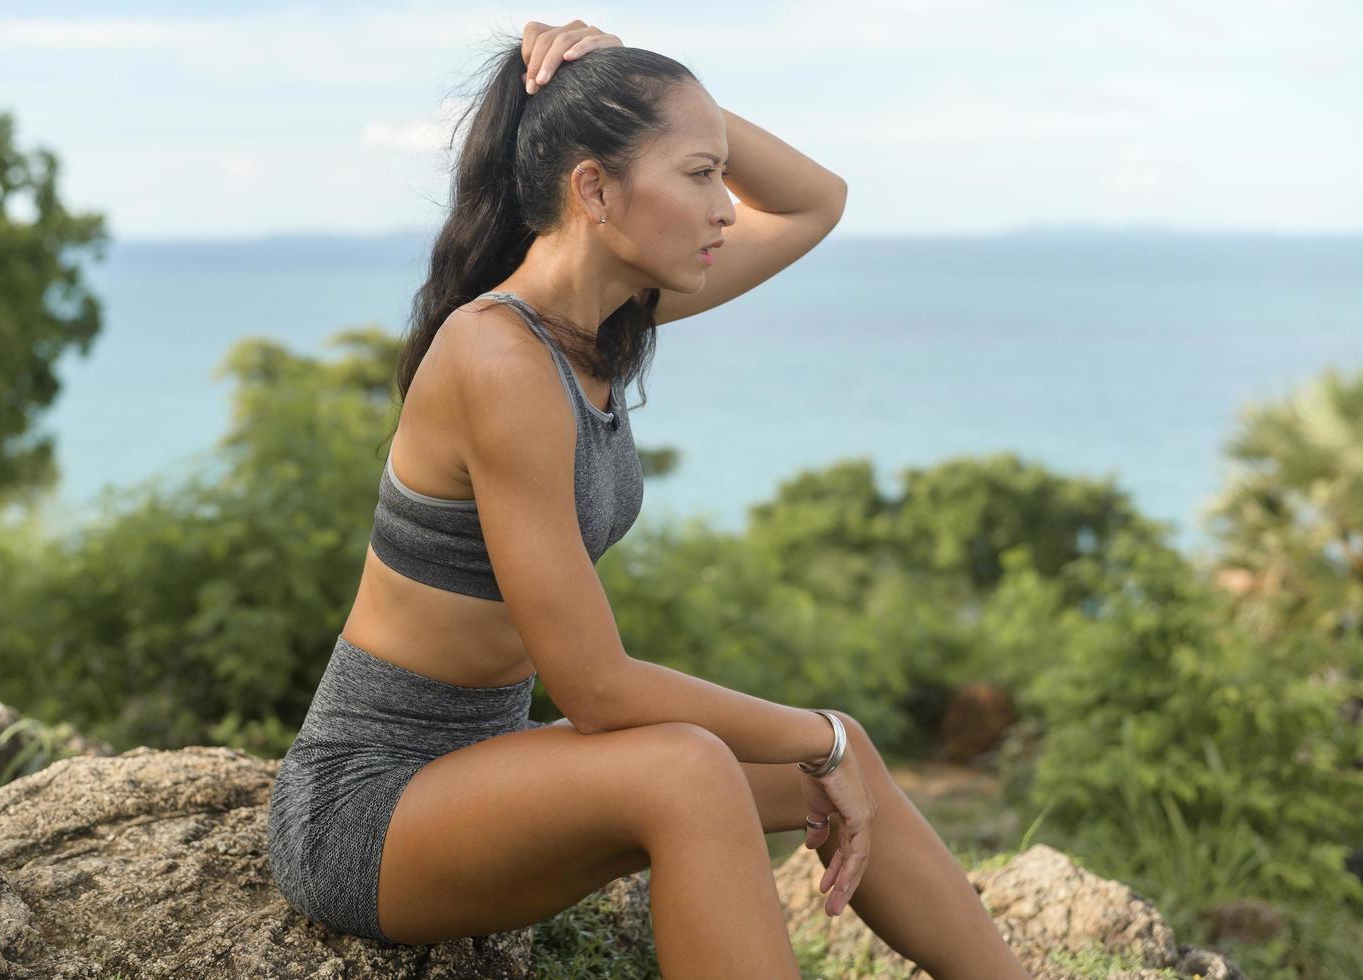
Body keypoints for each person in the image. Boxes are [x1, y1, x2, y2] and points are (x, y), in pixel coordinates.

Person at [267, 20, 1030, 980]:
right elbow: (596, 690)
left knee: (834, 763)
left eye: (719, 174)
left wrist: (635, 82)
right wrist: (824, 732)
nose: (724, 208)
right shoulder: (496, 356)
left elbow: (813, 203)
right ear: (593, 188)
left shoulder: (609, 319)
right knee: (696, 765)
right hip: (371, 808)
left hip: (488, 768)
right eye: (699, 176)